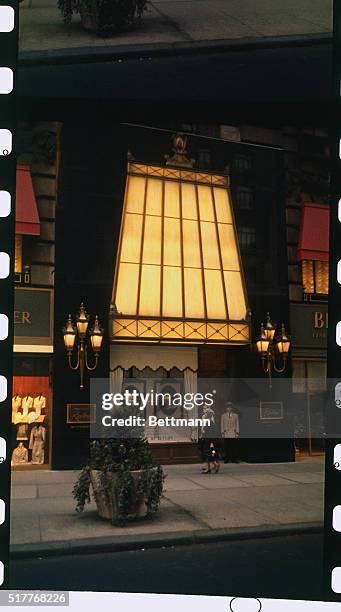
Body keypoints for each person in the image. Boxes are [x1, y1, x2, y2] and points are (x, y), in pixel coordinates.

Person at [200, 404, 220, 473]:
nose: (204, 410)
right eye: (203, 408)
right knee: (207, 452)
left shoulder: (211, 420)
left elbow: (211, 431)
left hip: (209, 439)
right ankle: (208, 467)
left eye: (206, 408)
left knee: (209, 452)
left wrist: (211, 441)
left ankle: (215, 463)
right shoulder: (204, 417)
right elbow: (203, 428)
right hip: (206, 437)